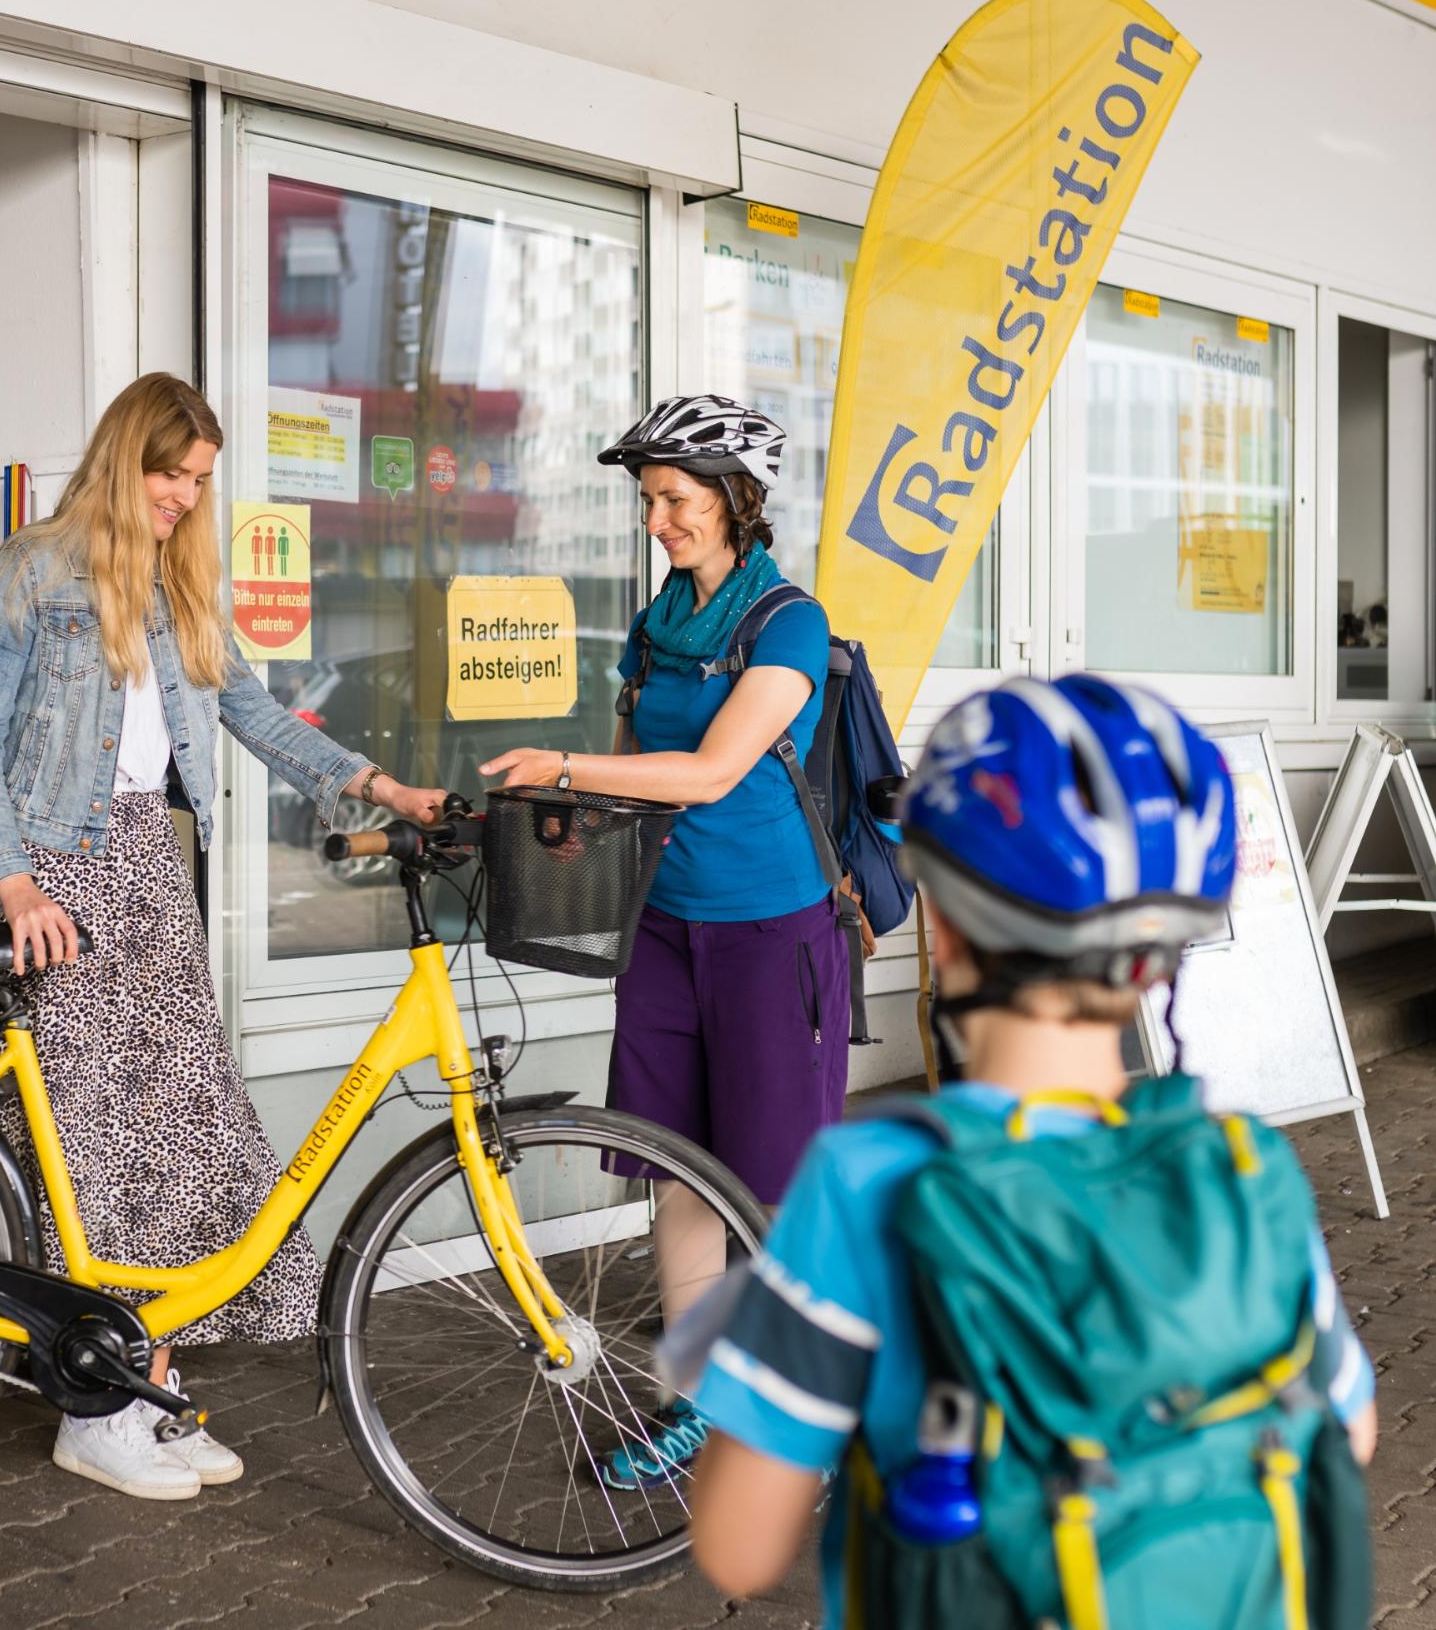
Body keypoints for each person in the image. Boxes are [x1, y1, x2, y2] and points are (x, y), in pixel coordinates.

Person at [681, 675, 1377, 1626]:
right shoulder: (1244, 1163)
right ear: (1162, 954)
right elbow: (1352, 1428)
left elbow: (737, 1545)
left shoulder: (871, 1182)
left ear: (951, 924)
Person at [0, 372, 445, 1502]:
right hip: (52, 878)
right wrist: (17, 887)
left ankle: (148, 1384)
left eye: (200, 480)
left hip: (144, 871)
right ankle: (93, 1405)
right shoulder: (32, 569)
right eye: (172, 473)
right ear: (128, 456)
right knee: (83, 1144)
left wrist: (376, 786)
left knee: (182, 1124)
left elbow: (255, 713)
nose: (183, 496)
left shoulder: (177, 584)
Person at [478, 394, 840, 1488]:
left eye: (674, 499)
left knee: (771, 1186)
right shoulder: (657, 622)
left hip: (773, 932)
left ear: (733, 501)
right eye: (647, 501)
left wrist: (565, 767)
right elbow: (636, 768)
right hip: (667, 930)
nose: (657, 520)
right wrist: (568, 815)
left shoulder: (787, 622)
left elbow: (711, 771)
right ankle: (689, 1404)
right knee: (678, 1177)